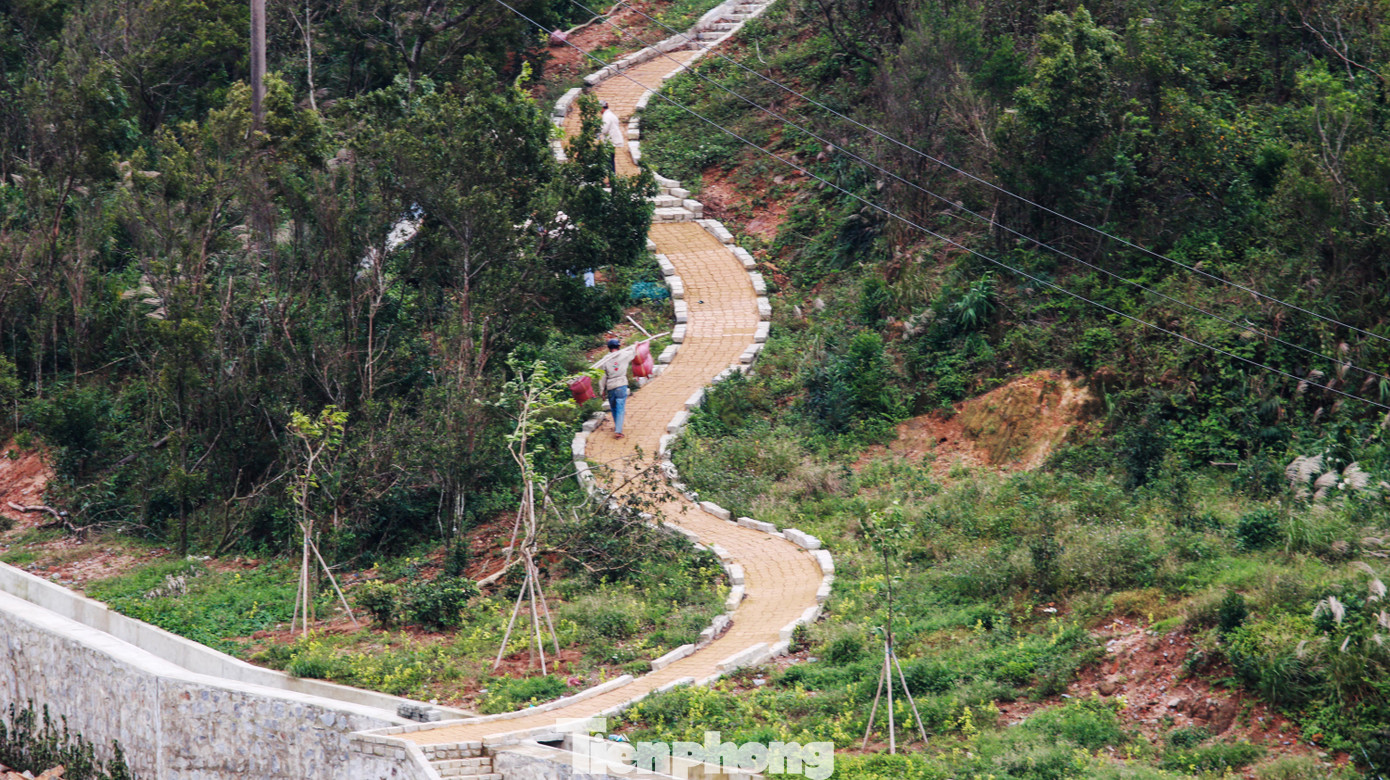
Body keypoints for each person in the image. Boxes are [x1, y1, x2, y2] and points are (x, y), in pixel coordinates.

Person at [603, 337, 636, 438]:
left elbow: (602, 377)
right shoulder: (624, 355)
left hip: (611, 386)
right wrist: (636, 345)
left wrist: (602, 391)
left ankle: (618, 426)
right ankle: (618, 430)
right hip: (621, 384)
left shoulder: (605, 359)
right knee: (620, 408)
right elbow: (634, 353)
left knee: (613, 408)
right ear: (619, 346)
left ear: (608, 348)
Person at [598, 100, 625, 174]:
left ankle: (611, 179)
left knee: (609, 161)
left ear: (602, 108)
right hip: (612, 140)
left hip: (610, 141)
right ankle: (612, 178)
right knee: (611, 160)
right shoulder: (612, 115)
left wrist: (597, 131)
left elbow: (604, 129)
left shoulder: (606, 116)